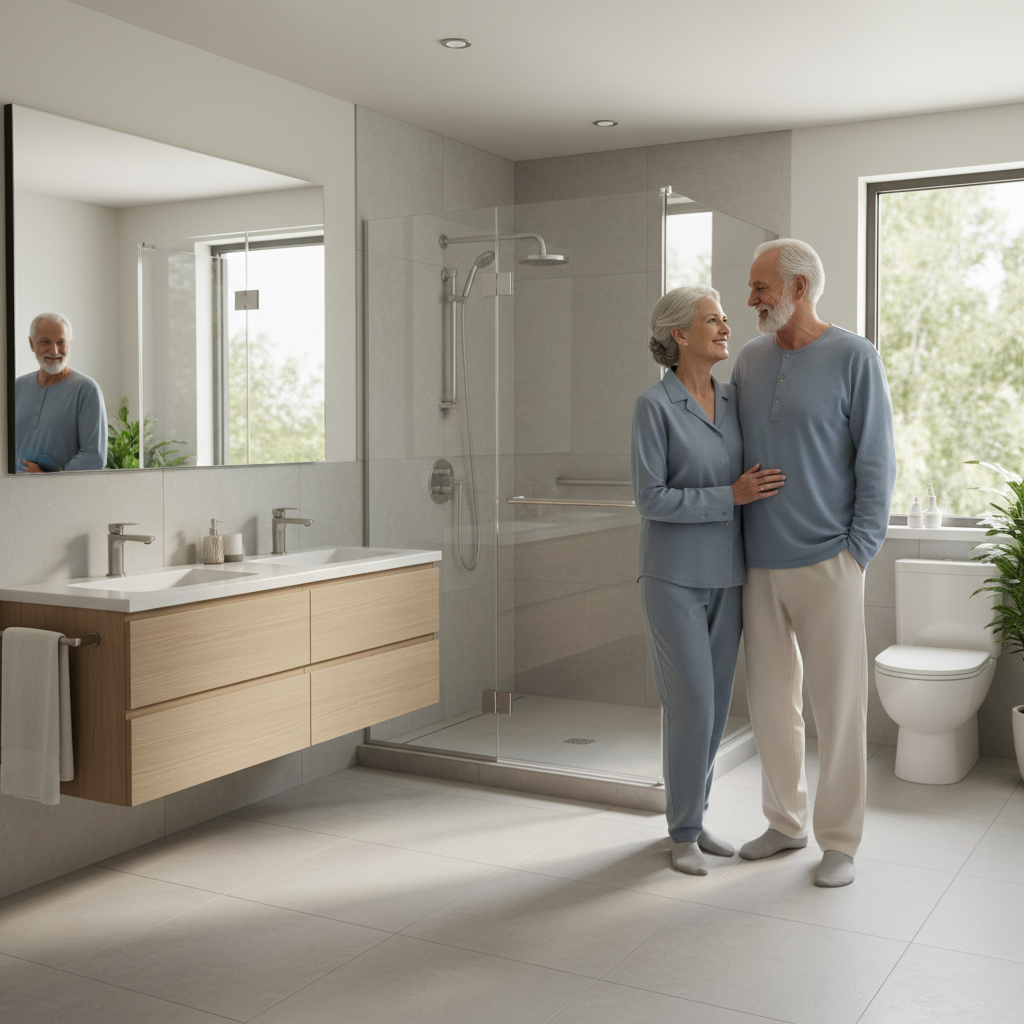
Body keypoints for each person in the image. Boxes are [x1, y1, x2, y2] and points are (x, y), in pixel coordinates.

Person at [732, 239, 896, 887]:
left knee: (839, 706)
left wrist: (857, 552)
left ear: (800, 287)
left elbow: (877, 461)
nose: (751, 300)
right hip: (758, 562)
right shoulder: (747, 360)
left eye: (762, 287)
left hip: (831, 560)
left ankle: (840, 840)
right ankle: (784, 822)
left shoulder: (855, 357)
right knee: (771, 704)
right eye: (751, 288)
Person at [631, 285, 785, 875]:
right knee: (690, 701)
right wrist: (731, 495)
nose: (726, 327)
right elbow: (650, 498)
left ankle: (695, 818)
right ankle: (681, 833)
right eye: (713, 320)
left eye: (725, 318)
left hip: (728, 575)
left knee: (717, 708)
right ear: (680, 335)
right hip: (672, 578)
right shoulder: (654, 406)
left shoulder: (734, 398)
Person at [15, 313, 107, 472]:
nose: (54, 350)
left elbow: (94, 456)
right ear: (31, 344)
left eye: (61, 342)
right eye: (45, 342)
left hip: (63, 494)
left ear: (70, 344)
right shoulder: (17, 387)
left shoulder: (87, 390)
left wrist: (51, 477)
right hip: (12, 492)